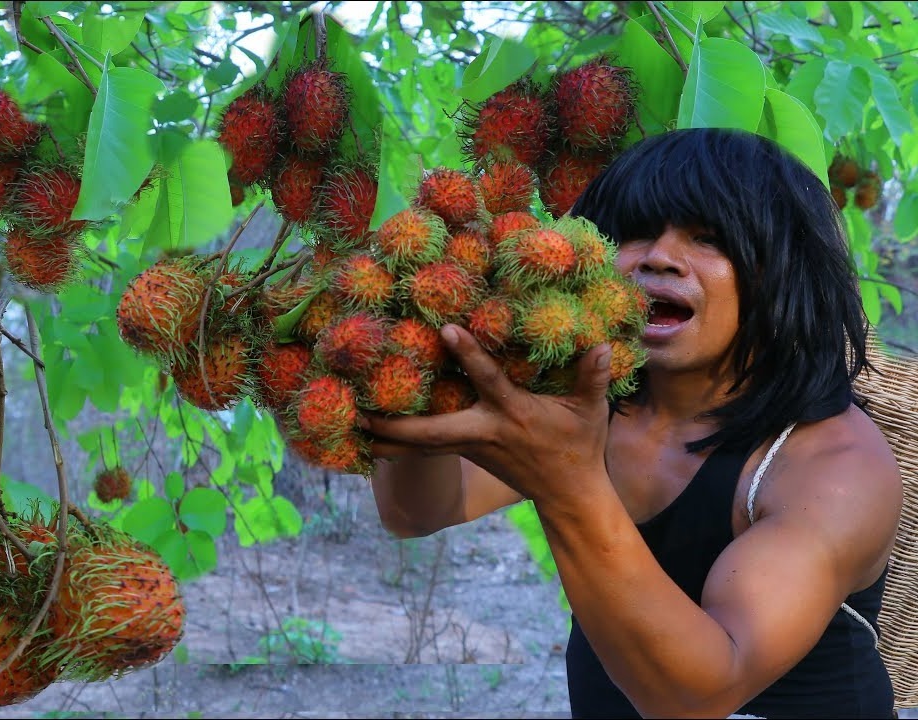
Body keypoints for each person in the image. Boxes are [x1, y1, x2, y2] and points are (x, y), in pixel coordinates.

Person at [362, 127, 903, 719]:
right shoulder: (590, 401)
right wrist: (410, 377)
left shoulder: (834, 466)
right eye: (636, 232)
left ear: (784, 274)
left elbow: (698, 696)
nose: (659, 256)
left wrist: (566, 483)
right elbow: (417, 511)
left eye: (709, 239)